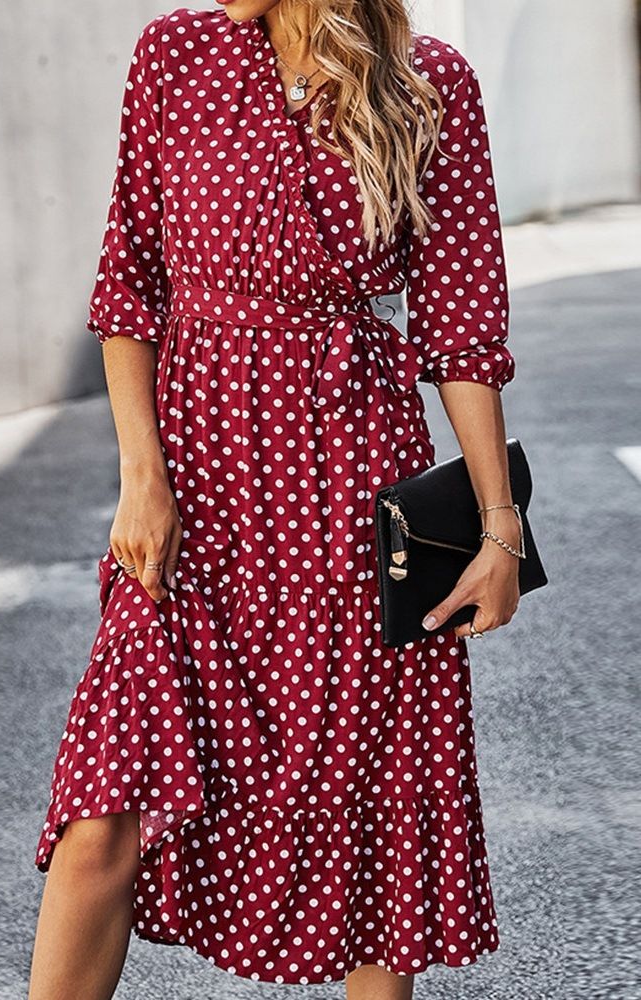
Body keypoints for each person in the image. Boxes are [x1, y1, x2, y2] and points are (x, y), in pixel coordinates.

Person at [28, 2, 521, 998]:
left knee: (369, 807)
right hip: (197, 486)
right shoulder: (178, 53)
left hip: (356, 480)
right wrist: (142, 479)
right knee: (102, 817)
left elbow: (462, 327)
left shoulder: (432, 83)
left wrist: (499, 529)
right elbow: (130, 279)